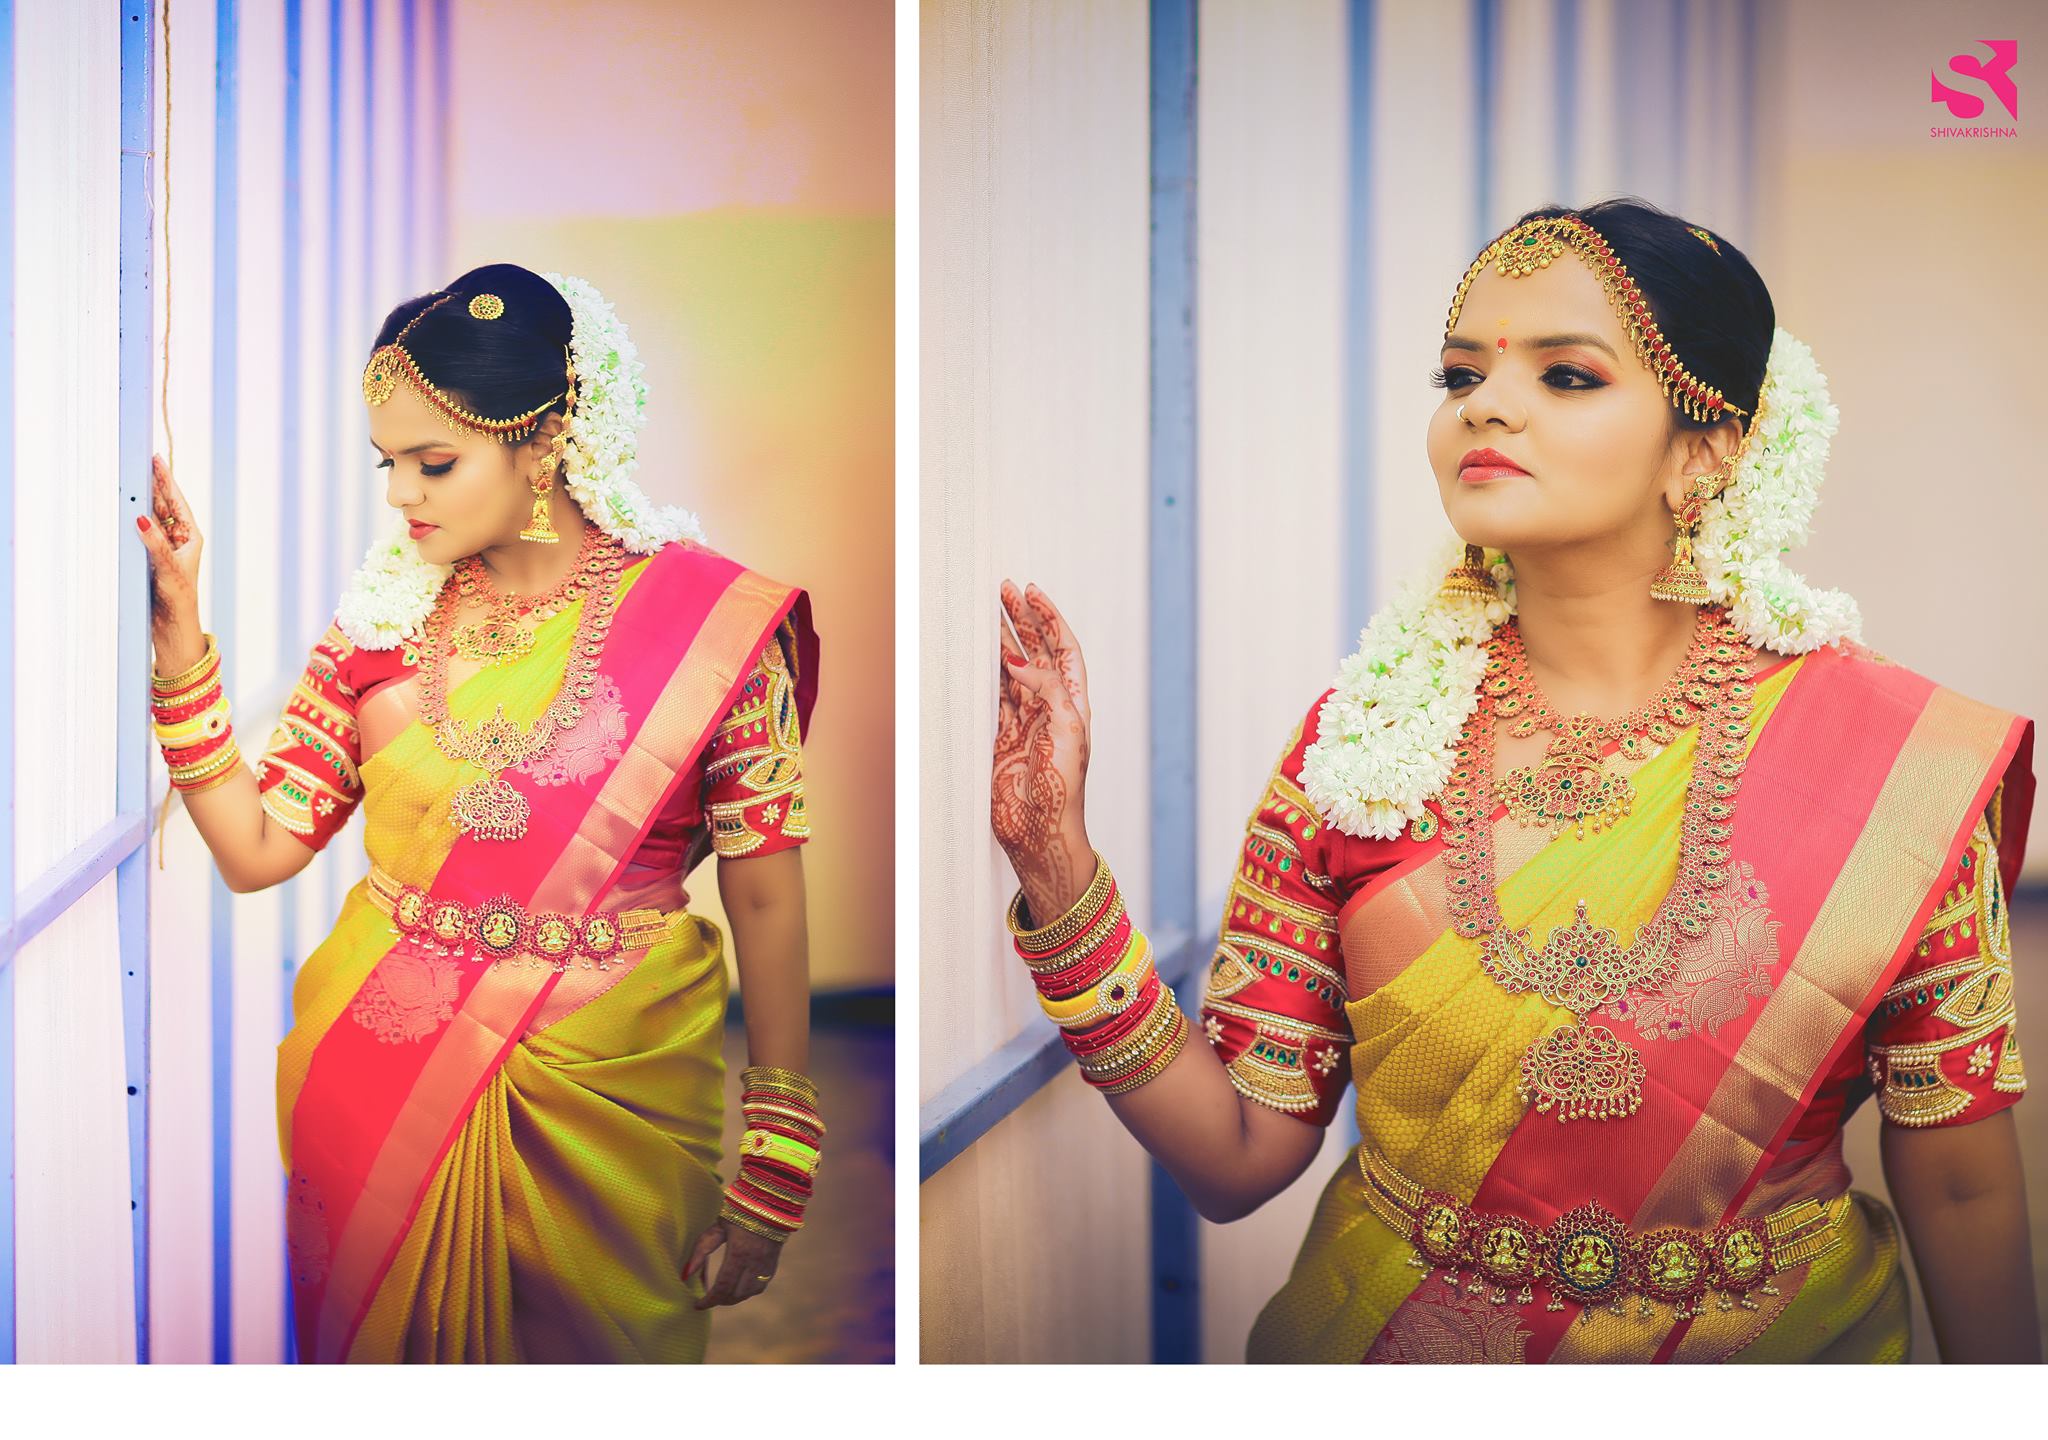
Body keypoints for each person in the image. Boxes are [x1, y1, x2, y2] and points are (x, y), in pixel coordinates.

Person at [990, 199, 2036, 1364]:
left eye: (1567, 376)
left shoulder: (1883, 764)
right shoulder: (1360, 753)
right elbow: (1237, 1157)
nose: (1484, 404)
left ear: (1705, 446)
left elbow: (1956, 1186)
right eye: (1460, 372)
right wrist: (1057, 871)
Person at [136, 263, 825, 1362]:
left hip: (618, 1095)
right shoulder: (382, 628)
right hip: (374, 1082)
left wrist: (780, 1151)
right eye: (389, 464)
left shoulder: (706, 633)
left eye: (434, 462)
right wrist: (183, 655)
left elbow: (765, 890)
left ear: (544, 439)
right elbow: (256, 851)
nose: (401, 495)